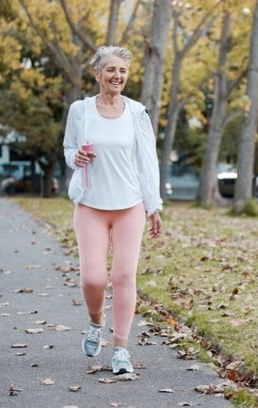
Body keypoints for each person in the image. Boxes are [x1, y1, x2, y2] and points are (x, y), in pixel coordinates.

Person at [63, 45, 163, 375]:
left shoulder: (137, 113)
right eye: (110, 70)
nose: (117, 76)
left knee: (123, 276)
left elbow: (148, 161)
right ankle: (96, 323)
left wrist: (153, 206)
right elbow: (69, 148)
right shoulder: (80, 110)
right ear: (98, 74)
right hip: (91, 202)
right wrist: (75, 157)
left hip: (129, 205)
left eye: (122, 71)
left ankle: (121, 349)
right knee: (93, 278)